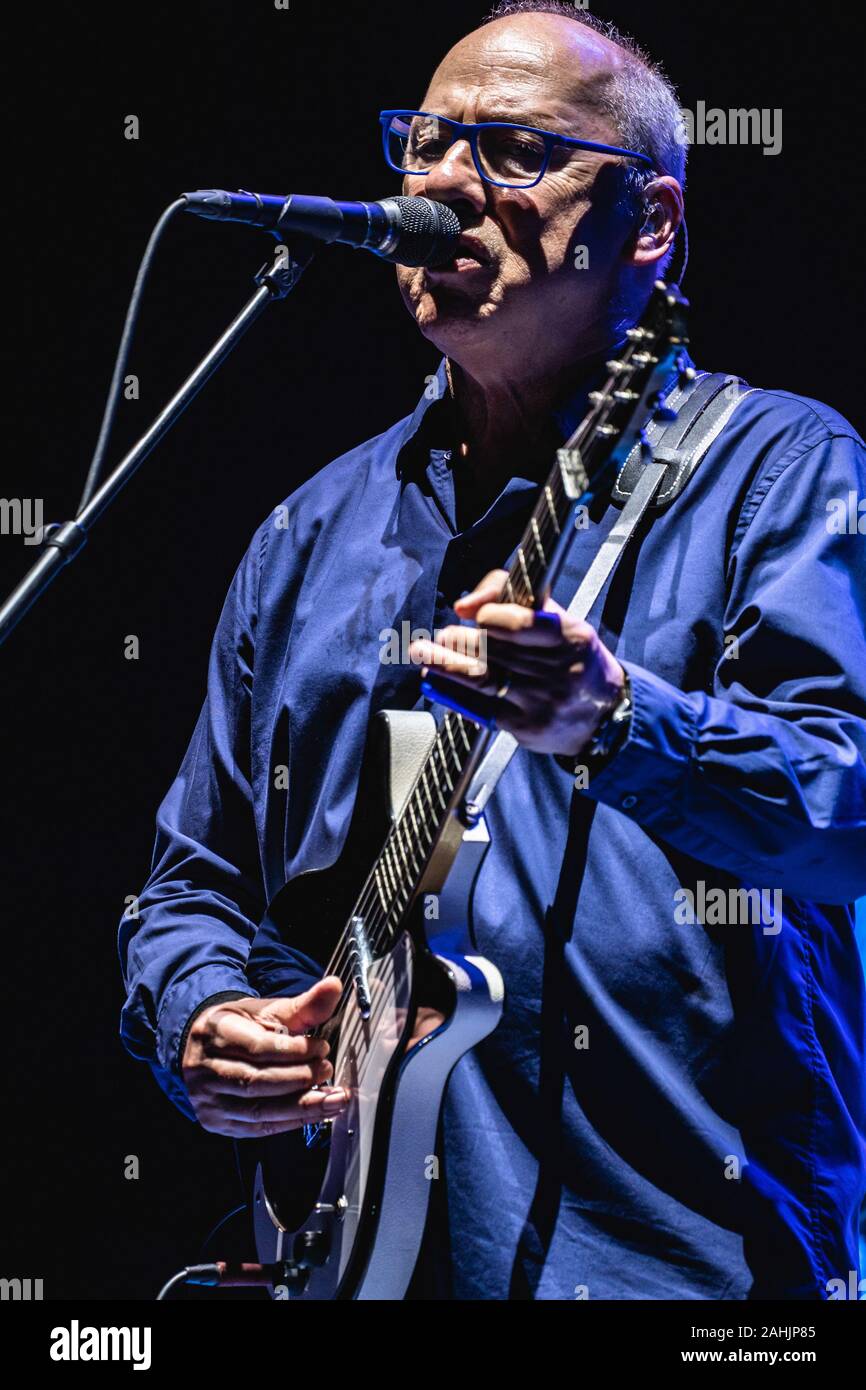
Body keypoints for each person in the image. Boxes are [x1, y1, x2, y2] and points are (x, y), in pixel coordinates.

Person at [119, 2, 866, 1299]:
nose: (446, 185)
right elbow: (191, 879)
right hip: (344, 1260)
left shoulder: (776, 471)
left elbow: (844, 812)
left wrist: (616, 720)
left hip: (676, 1261)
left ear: (650, 225)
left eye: (514, 151)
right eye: (426, 144)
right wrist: (198, 1010)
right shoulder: (308, 532)